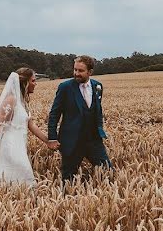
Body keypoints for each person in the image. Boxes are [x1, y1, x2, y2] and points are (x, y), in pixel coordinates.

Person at [0, 68, 58, 194]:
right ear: (25, 82)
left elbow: (31, 125)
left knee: (17, 173)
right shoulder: (11, 100)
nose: (35, 83)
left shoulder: (23, 102)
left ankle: (14, 199)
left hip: (19, 145)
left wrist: (47, 141)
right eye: (33, 80)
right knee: (19, 171)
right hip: (9, 146)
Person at [48, 55, 114, 183]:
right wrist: (52, 137)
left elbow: (97, 110)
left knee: (108, 172)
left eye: (80, 71)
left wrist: (99, 128)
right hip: (72, 141)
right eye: (75, 70)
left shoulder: (97, 86)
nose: (76, 73)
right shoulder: (65, 87)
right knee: (68, 180)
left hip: (94, 140)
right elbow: (54, 113)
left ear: (90, 72)